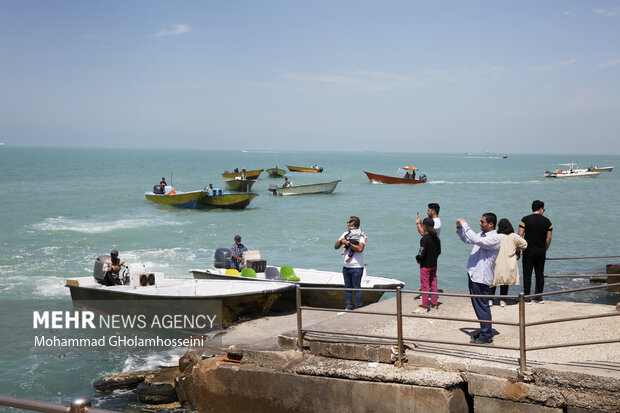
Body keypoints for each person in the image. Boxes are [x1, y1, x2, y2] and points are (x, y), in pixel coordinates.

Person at [456, 213, 501, 344]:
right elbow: (467, 239)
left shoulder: (495, 238)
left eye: (482, 222)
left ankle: (486, 336)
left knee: (482, 306)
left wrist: (465, 224)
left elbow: (475, 239)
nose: (480, 224)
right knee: (478, 306)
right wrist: (460, 229)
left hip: (481, 277)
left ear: (491, 224)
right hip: (474, 275)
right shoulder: (481, 235)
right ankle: (484, 330)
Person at [518, 200, 553, 303]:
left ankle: (527, 298)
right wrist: (544, 249)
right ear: (541, 208)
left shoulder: (525, 220)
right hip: (541, 251)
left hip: (528, 251)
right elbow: (549, 238)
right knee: (539, 274)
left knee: (527, 274)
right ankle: (538, 297)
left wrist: (519, 249)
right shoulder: (547, 222)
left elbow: (520, 236)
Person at [490, 219, 528, 307]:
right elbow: (525, 244)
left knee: (493, 281)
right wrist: (517, 248)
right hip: (508, 262)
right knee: (505, 282)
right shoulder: (513, 236)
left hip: (496, 261)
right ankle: (502, 300)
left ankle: (490, 300)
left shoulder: (496, 236)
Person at [334, 216, 366, 310]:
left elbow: (360, 249)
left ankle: (358, 308)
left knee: (356, 288)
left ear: (355, 225)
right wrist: (341, 241)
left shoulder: (360, 235)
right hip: (346, 266)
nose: (348, 224)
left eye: (350, 223)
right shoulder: (345, 234)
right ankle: (347, 308)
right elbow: (336, 247)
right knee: (347, 288)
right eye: (348, 223)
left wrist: (348, 243)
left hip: (357, 267)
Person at [414, 218, 441, 314]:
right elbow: (439, 252)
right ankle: (434, 304)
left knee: (424, 285)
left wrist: (418, 258)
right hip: (434, 264)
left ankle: (425, 306)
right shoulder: (436, 238)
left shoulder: (424, 239)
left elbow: (421, 252)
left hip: (425, 265)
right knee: (433, 283)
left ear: (424, 226)